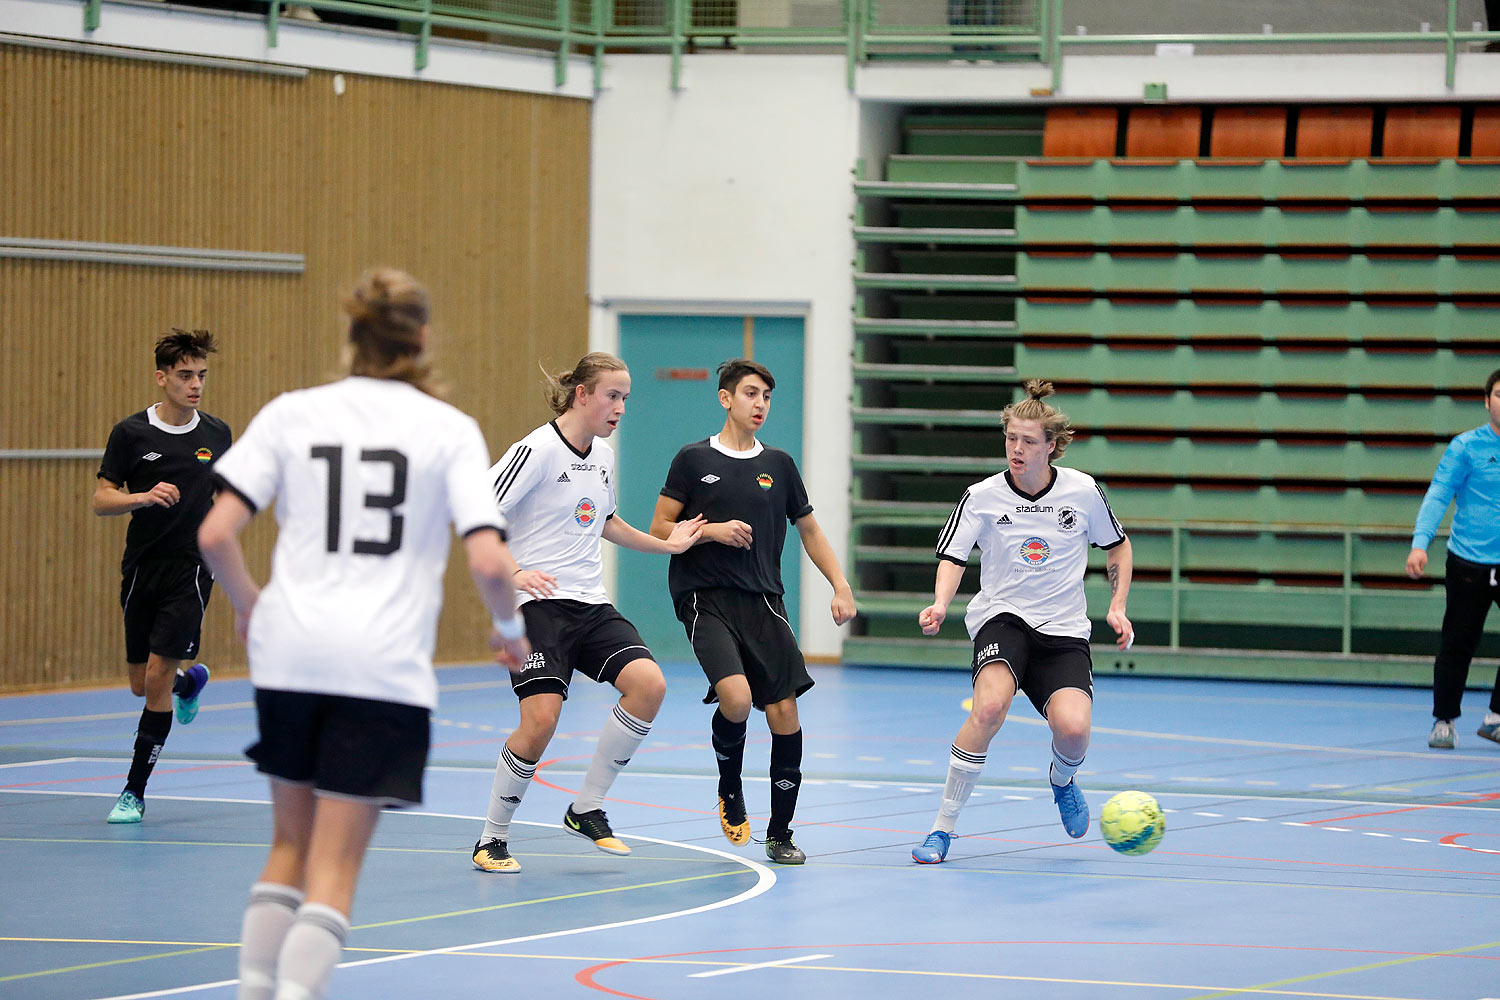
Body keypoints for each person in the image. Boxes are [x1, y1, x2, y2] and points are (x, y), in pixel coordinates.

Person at [197, 269, 530, 1000]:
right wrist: (511, 633)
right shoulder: (447, 428)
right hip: (379, 665)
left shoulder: (292, 412)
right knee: (336, 866)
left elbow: (217, 532)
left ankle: (256, 987)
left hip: (289, 652)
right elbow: (487, 558)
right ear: (421, 340)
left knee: (287, 843)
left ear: (351, 334)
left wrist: (250, 604)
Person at [471, 352, 704, 874]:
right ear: (582, 394)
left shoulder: (603, 455)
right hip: (538, 607)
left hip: (590, 603)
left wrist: (668, 546)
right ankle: (492, 839)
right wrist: (513, 571)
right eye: (612, 396)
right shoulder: (535, 451)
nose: (620, 407)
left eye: (625, 398)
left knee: (649, 685)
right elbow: (478, 511)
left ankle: (586, 807)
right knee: (541, 722)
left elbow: (606, 520)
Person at [910, 380, 1133, 864]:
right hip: (1003, 619)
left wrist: (1117, 605)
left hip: (1065, 629)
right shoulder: (982, 496)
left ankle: (1062, 778)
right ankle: (941, 828)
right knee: (988, 709)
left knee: (1073, 730)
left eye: (1029, 441)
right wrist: (941, 602)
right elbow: (953, 555)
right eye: (1011, 438)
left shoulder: (1082, 490)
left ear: (1051, 446)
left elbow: (1117, 545)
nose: (1017, 449)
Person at [650, 358, 856, 865]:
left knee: (785, 710)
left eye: (766, 395)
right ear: (725, 398)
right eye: (749, 393)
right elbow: (658, 528)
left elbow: (809, 530)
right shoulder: (692, 459)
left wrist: (840, 584)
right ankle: (729, 784)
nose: (759, 403)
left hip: (764, 600)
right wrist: (712, 531)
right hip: (705, 595)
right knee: (737, 699)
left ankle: (780, 832)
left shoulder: (780, 465)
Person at [93, 329, 230, 824]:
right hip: (141, 567)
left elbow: (228, 498)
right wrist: (141, 497)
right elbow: (101, 499)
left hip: (192, 570)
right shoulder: (131, 434)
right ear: (162, 377)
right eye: (185, 375)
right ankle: (189, 682)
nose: (196, 385)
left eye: (201, 376)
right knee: (140, 683)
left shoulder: (216, 434)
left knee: (153, 677)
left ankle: (133, 792)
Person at [1406, 367, 1500, 750]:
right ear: (1487, 401)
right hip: (1468, 563)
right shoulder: (1466, 447)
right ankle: (1444, 720)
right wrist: (1419, 542)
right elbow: (1439, 494)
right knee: (1458, 643)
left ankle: (1496, 717)